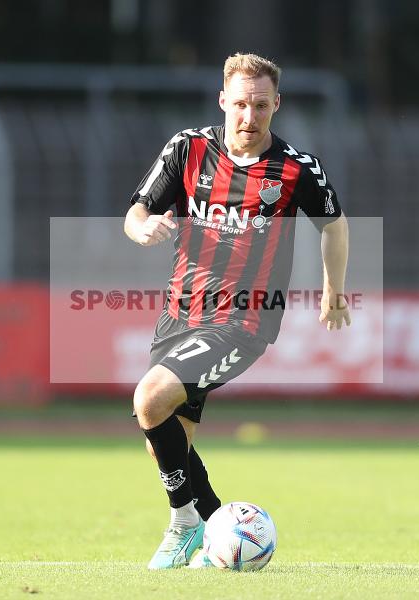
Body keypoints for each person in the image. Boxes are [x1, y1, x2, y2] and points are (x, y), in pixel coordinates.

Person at [123, 52, 350, 569]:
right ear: (223, 100)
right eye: (241, 105)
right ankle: (215, 533)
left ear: (277, 104)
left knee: (150, 397)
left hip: (242, 320)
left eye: (261, 106)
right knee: (166, 441)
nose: (250, 117)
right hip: (179, 314)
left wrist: (334, 288)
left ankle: (185, 527)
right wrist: (142, 230)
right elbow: (137, 209)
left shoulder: (295, 170)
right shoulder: (188, 149)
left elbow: (334, 224)